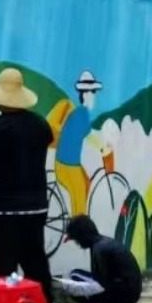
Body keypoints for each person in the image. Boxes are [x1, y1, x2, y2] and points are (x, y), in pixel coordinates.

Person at [0, 68, 55, 303]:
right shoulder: (40, 125)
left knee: (3, 265)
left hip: (2, 209)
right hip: (36, 205)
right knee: (35, 261)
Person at [57, 215, 142, 303]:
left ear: (81, 237)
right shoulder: (102, 243)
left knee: (71, 279)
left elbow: (102, 284)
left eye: (76, 240)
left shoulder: (99, 249)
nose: (78, 244)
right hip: (131, 294)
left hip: (123, 294)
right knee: (75, 275)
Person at [51, 71, 105, 216]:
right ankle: (77, 229)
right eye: (93, 92)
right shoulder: (81, 114)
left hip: (70, 164)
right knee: (79, 196)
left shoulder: (80, 113)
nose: (94, 96)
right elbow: (90, 136)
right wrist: (103, 148)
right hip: (67, 165)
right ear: (85, 94)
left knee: (86, 183)